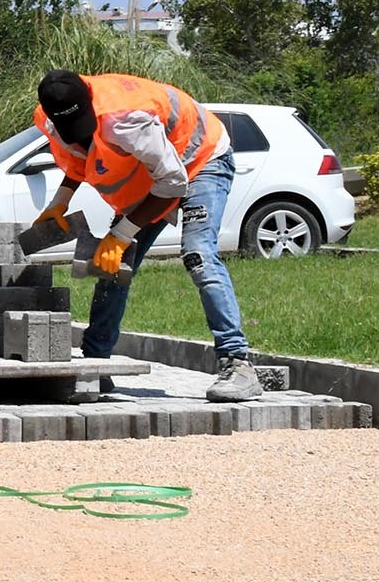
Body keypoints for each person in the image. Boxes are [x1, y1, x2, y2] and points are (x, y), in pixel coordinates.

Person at [28, 69, 263, 402]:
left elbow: (173, 183)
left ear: (90, 102)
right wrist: (60, 201)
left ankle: (238, 364)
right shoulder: (50, 114)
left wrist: (122, 233)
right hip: (151, 174)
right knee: (112, 265)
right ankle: (96, 364)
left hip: (199, 160)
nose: (79, 135)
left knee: (198, 255)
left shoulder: (126, 118)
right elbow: (80, 157)